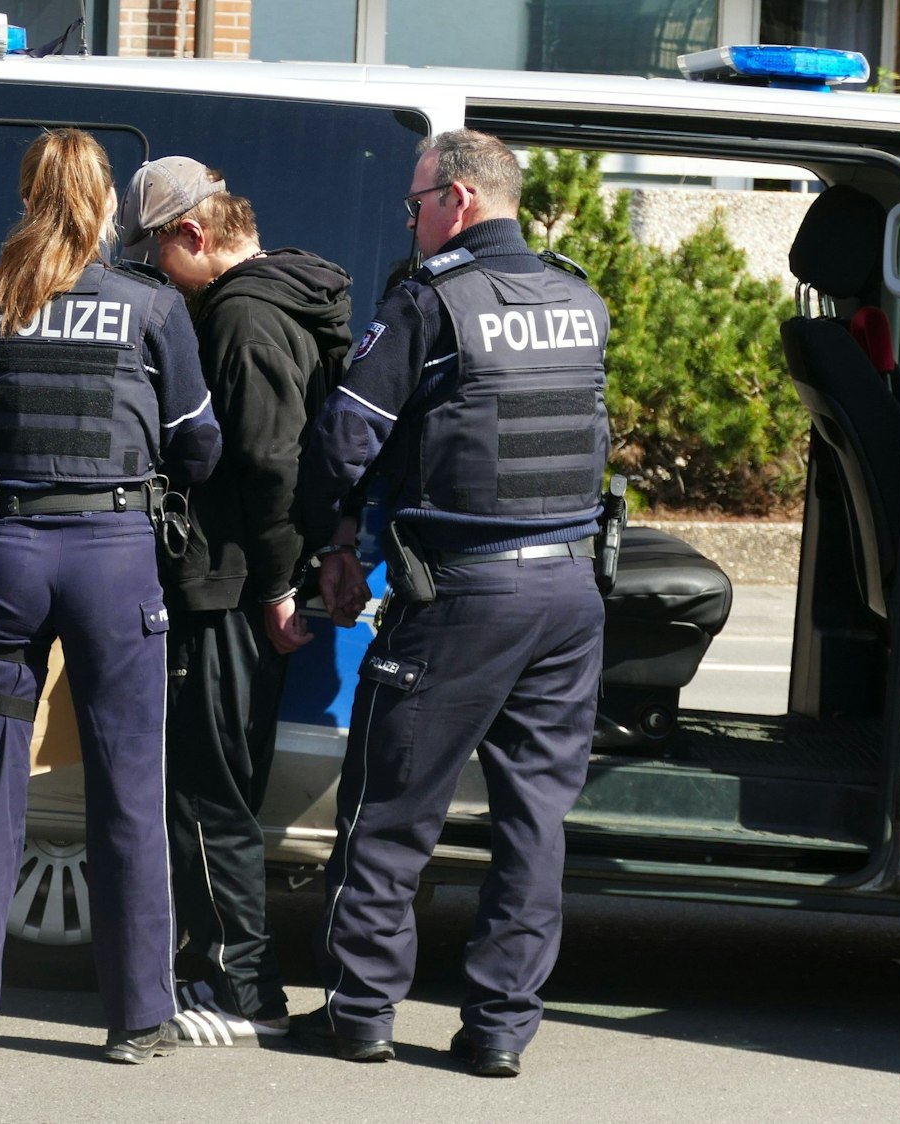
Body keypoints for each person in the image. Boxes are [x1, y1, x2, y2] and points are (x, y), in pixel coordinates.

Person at [293, 128, 610, 1077]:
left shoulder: (434, 303)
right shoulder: (579, 298)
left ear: (459, 201)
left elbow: (345, 439)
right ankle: (501, 1029)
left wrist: (328, 540)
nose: (413, 219)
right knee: (532, 820)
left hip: (466, 590)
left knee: (388, 811)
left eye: (416, 202)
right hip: (569, 587)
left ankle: (360, 1014)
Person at [0, 129, 223, 1068]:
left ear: (26, 195)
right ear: (106, 208)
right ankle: (136, 1017)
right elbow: (198, 444)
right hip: (112, 559)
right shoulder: (151, 305)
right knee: (128, 784)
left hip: (4, 556)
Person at [117, 157, 353, 1047]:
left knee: (208, 793)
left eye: (153, 255)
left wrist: (279, 582)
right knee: (221, 787)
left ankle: (239, 989)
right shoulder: (288, 298)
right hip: (244, 585)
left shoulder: (243, 318)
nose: (149, 278)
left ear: (193, 234)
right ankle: (216, 967)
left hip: (226, 590)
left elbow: (266, 461)